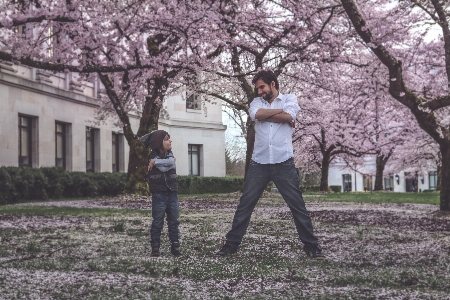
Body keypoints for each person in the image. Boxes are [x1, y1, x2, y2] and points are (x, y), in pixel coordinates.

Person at [216, 70, 324, 259]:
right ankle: (231, 244)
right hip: (260, 162)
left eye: (262, 87)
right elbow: (257, 114)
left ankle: (311, 246)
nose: (259, 91)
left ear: (272, 84)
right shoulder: (256, 102)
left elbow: (289, 116)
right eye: (257, 88)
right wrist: (280, 114)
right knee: (245, 205)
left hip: (284, 161)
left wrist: (277, 115)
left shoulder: (290, 98)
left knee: (297, 205)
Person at [140, 130, 181, 257]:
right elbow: (166, 167)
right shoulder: (152, 155)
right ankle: (155, 247)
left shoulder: (169, 154)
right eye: (166, 139)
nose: (170, 141)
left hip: (172, 193)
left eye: (169, 139)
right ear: (159, 142)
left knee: (174, 221)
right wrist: (165, 162)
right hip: (159, 194)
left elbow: (169, 163)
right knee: (158, 221)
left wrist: (157, 162)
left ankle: (175, 246)